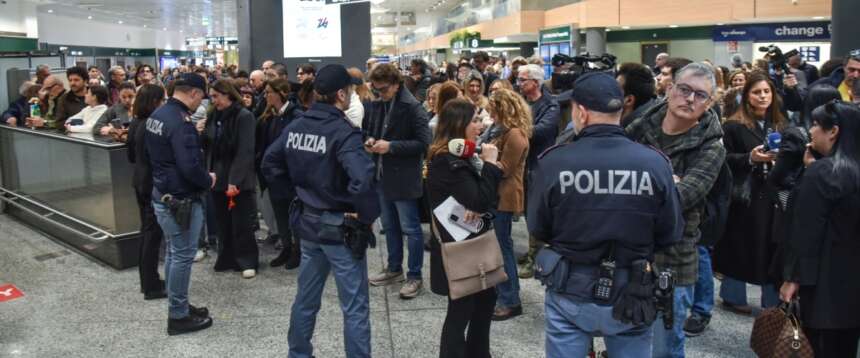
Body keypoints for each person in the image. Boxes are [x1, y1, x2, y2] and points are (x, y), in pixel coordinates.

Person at [530, 72, 683, 357]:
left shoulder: (554, 162)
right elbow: (670, 232)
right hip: (632, 290)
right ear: (621, 109)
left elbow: (539, 227)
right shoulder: (655, 164)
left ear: (582, 113)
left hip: (570, 287)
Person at [262, 64, 379, 358]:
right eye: (350, 92)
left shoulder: (297, 125)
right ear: (340, 94)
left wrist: (296, 192)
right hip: (340, 228)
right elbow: (363, 180)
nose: (352, 96)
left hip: (308, 223)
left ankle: (298, 353)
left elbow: (269, 163)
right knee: (354, 307)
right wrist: (364, 216)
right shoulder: (344, 133)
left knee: (306, 298)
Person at [626, 63, 726, 357]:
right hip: (628, 250)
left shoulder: (712, 144)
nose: (690, 99)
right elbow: (611, 174)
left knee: (665, 347)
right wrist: (665, 182)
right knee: (626, 341)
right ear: (669, 89)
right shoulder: (640, 124)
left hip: (675, 259)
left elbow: (681, 198)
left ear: (709, 103)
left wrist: (638, 185)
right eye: (684, 90)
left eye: (700, 95)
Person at [778, 101, 860, 357]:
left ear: (833, 131)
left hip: (822, 282)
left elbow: (806, 232)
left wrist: (792, 278)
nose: (811, 131)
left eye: (815, 125)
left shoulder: (823, 173)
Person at [426, 99, 503, 358]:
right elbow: (480, 199)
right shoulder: (447, 161)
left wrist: (481, 201)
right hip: (460, 249)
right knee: (461, 311)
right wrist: (491, 165)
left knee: (483, 303)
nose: (480, 126)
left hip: (470, 242)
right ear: (460, 124)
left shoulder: (462, 156)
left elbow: (482, 200)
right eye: (475, 120)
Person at [144, 73, 215, 335]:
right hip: (181, 199)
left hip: (162, 193)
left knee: (175, 253)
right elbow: (189, 166)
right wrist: (208, 180)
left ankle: (180, 305)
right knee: (183, 256)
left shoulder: (158, 115)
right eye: (202, 97)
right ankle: (178, 315)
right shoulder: (181, 122)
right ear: (194, 93)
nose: (201, 103)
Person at [713, 72, 788, 314]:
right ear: (747, 97)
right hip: (744, 196)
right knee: (740, 245)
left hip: (774, 192)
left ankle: (771, 300)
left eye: (767, 92)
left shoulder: (779, 123)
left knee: (771, 246)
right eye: (757, 92)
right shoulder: (733, 126)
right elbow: (722, 160)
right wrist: (750, 158)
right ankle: (732, 295)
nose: (763, 96)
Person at [365, 63, 432, 299]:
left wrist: (391, 147)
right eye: (376, 89)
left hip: (403, 177)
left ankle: (415, 276)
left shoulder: (412, 107)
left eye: (383, 89)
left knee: (411, 229)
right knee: (390, 226)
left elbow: (425, 144)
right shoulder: (380, 103)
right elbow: (371, 129)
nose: (379, 93)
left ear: (396, 84)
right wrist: (371, 140)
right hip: (382, 175)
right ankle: (394, 269)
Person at [482, 88, 531, 322]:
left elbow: (506, 169)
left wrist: (484, 160)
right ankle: (504, 294)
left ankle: (511, 300)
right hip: (497, 195)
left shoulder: (514, 135)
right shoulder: (500, 130)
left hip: (505, 196)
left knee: (503, 249)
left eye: (493, 110)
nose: (490, 114)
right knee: (500, 248)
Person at [202, 80, 259, 279]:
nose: (213, 100)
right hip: (217, 177)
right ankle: (226, 257)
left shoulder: (244, 116)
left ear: (228, 94)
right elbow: (209, 144)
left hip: (238, 178)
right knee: (222, 221)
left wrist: (234, 180)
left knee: (241, 221)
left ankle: (247, 260)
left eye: (216, 96)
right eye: (212, 97)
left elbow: (245, 151)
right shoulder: (213, 115)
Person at [514, 64, 560, 282]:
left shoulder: (550, 105)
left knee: (536, 210)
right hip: (522, 163)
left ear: (535, 81)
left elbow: (542, 131)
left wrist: (516, 131)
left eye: (523, 80)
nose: (519, 83)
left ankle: (536, 256)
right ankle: (533, 251)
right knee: (526, 209)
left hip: (539, 164)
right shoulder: (522, 102)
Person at [257, 78, 304, 269]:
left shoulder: (297, 116)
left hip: (289, 176)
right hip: (273, 176)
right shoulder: (269, 116)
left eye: (269, 92)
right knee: (280, 216)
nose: (266, 96)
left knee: (294, 216)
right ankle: (286, 247)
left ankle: (297, 250)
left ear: (281, 93)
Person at [127, 84, 167, 300]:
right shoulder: (151, 126)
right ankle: (151, 284)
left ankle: (148, 279)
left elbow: (131, 156)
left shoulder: (135, 123)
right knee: (152, 235)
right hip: (151, 184)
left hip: (139, 181)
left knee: (146, 233)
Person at [616, 62, 658, 128]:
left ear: (629, 100)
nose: (610, 93)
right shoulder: (652, 113)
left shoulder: (634, 133)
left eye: (615, 89)